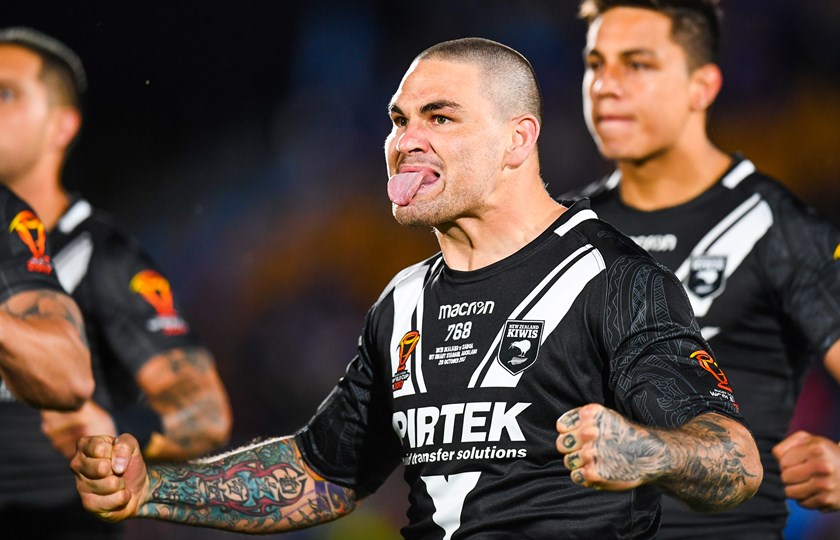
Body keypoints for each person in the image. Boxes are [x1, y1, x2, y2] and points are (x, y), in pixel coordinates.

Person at [71, 36, 762, 539]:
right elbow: (324, 474)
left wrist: (646, 451)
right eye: (399, 120)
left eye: (440, 117)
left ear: (518, 141)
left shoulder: (611, 279)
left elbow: (734, 462)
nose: (406, 141)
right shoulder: (402, 302)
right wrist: (154, 489)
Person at [567, 1, 840, 538]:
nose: (605, 85)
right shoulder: (564, 231)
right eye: (596, 63)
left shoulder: (777, 226)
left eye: (637, 64)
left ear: (703, 87)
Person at [0, 26, 233, 539]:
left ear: (61, 125)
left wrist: (116, 426)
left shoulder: (101, 256)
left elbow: (205, 410)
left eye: (6, 93)